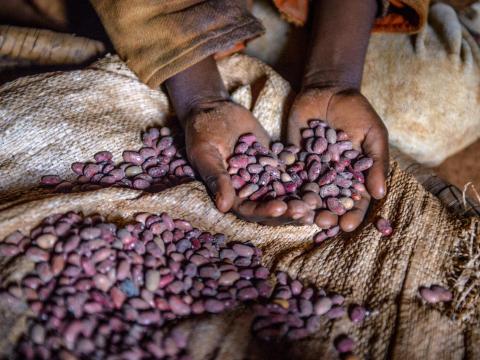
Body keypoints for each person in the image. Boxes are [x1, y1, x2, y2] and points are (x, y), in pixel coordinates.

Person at [1, 0, 433, 229]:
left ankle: (241, 41)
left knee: (438, 101)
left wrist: (334, 77)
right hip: (148, 10)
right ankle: (214, 45)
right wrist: (202, 97)